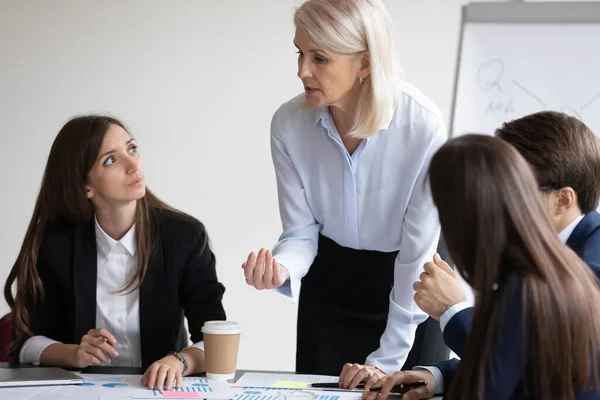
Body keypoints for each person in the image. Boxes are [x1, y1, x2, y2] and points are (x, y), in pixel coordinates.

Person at [241, 0, 446, 384]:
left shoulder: (423, 127)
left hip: (412, 285)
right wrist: (281, 268)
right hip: (331, 282)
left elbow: (416, 253)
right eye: (300, 53)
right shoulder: (288, 124)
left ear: (365, 63)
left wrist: (387, 361)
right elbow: (302, 233)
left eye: (320, 58)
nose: (302, 70)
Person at [364, 134, 600, 400]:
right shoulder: (547, 269)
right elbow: (520, 364)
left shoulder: (529, 285)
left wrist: (453, 310)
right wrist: (440, 377)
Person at [4, 115, 226, 391]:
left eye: (132, 149)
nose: (134, 165)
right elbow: (25, 343)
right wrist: (73, 353)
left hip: (157, 392)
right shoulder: (56, 242)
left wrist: (178, 361)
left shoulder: (184, 236)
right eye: (111, 160)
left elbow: (217, 339)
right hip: (77, 393)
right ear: (85, 186)